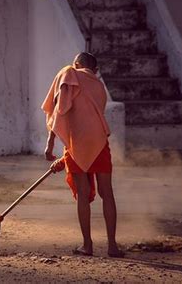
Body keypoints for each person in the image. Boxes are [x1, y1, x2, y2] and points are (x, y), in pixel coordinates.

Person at [41, 52, 124, 258]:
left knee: (83, 195)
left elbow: (61, 109)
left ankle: (87, 245)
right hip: (99, 141)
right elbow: (89, 117)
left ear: (77, 64)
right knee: (108, 193)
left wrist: (50, 143)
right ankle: (112, 246)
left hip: (77, 142)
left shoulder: (69, 73)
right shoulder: (98, 85)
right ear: (95, 70)